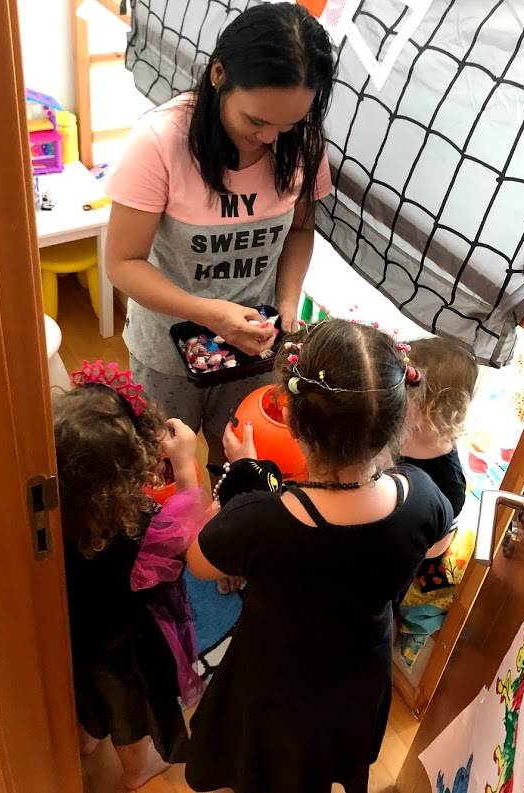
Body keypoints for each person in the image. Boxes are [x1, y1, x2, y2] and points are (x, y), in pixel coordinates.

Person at [182, 319, 454, 793]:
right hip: (358, 674)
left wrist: (242, 472)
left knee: (265, 765)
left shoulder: (259, 518)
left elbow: (199, 562)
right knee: (326, 761)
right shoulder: (423, 495)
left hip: (275, 676)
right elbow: (436, 545)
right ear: (399, 419)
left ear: (291, 420)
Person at [104, 2, 336, 466]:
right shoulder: (160, 141)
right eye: (256, 121)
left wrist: (288, 304)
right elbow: (122, 264)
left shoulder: (303, 143)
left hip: (254, 349)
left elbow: (299, 230)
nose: (271, 138)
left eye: (289, 123)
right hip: (168, 350)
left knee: (240, 468)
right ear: (218, 75)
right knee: (164, 470)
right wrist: (210, 314)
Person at [54, 360, 200, 790]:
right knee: (128, 708)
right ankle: (137, 770)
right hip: (125, 647)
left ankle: (85, 739)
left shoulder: (46, 511)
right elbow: (189, 538)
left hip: (70, 632)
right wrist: (186, 465)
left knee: (83, 690)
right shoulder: (138, 532)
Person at [396, 336, 478, 522]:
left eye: (400, 390)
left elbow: (440, 535)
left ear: (435, 408)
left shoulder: (448, 486)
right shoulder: (388, 427)